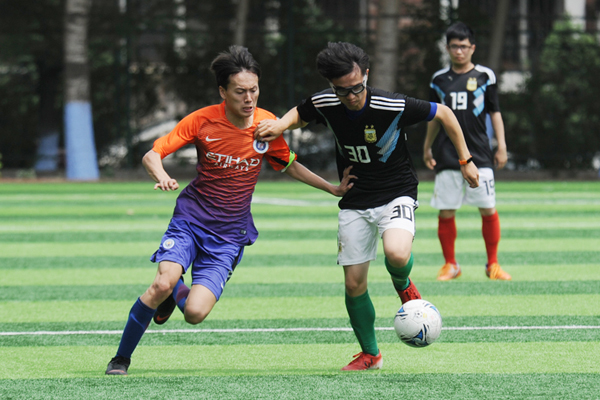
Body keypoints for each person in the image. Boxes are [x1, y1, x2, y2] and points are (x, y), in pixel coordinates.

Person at [105, 45, 355, 376]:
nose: (249, 98)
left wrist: (332, 188)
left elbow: (289, 164)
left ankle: (175, 293)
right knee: (160, 284)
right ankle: (121, 359)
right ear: (223, 92)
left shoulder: (266, 125)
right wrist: (162, 175)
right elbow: (152, 154)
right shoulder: (202, 120)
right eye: (240, 91)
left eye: (254, 90)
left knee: (194, 313)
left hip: (229, 235)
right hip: (190, 220)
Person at [255, 42, 479, 371]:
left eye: (356, 87)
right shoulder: (327, 101)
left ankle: (402, 283)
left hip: (396, 191)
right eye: (342, 90)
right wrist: (280, 125)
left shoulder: (390, 104)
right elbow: (302, 112)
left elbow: (444, 113)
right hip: (356, 197)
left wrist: (465, 160)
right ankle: (371, 354)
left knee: (397, 255)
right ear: (332, 85)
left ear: (366, 75)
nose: (351, 96)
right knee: (353, 284)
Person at [423, 22, 511, 281]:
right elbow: (434, 118)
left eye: (463, 46)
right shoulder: (438, 80)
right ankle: (451, 265)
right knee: (446, 210)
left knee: (488, 208)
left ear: (472, 48)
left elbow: (495, 112)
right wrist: (427, 147)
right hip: (447, 154)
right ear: (447, 48)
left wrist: (501, 145)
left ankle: (493, 265)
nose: (459, 51)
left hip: (480, 154)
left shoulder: (485, 76)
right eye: (454, 46)